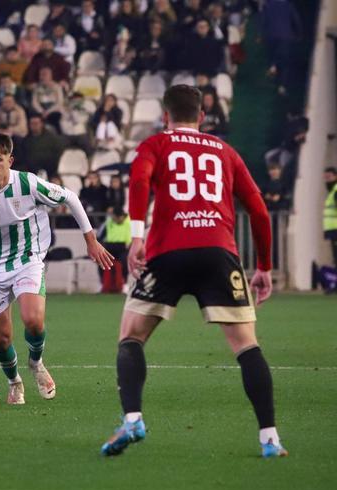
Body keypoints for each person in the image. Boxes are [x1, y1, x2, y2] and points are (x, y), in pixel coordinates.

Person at [99, 85, 285, 458]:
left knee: (131, 336)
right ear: (202, 116)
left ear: (165, 116)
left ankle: (133, 418)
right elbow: (259, 211)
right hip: (218, 253)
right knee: (247, 345)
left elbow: (138, 181)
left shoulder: (156, 145)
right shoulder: (226, 152)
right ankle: (269, 438)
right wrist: (263, 266)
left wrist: (137, 237)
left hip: (167, 252)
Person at [0, 132, 113, 405]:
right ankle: (13, 382)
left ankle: (36, 362)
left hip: (27, 259)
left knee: (33, 320)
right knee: (1, 335)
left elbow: (70, 197)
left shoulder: (28, 184)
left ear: (10, 159)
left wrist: (91, 240)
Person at [97, 207, 131, 293]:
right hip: (110, 247)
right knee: (101, 260)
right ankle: (102, 284)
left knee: (124, 261)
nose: (117, 219)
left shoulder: (130, 223)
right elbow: (99, 237)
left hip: (124, 248)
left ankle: (125, 284)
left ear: (123, 216)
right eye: (115, 217)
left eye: (119, 217)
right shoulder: (108, 223)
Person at [324, 167, 337, 268]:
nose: (327, 179)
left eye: (329, 177)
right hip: (332, 229)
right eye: (325, 177)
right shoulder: (332, 190)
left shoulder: (335, 191)